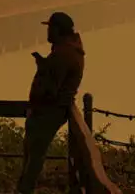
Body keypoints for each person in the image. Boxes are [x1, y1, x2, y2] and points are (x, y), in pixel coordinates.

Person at [16, 11, 86, 194]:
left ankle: (24, 190)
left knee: (34, 157)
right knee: (33, 155)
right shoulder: (68, 50)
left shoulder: (63, 54)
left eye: (49, 28)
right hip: (51, 111)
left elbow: (50, 89)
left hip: (48, 112)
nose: (47, 32)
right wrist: (45, 64)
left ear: (57, 30)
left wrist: (43, 71)